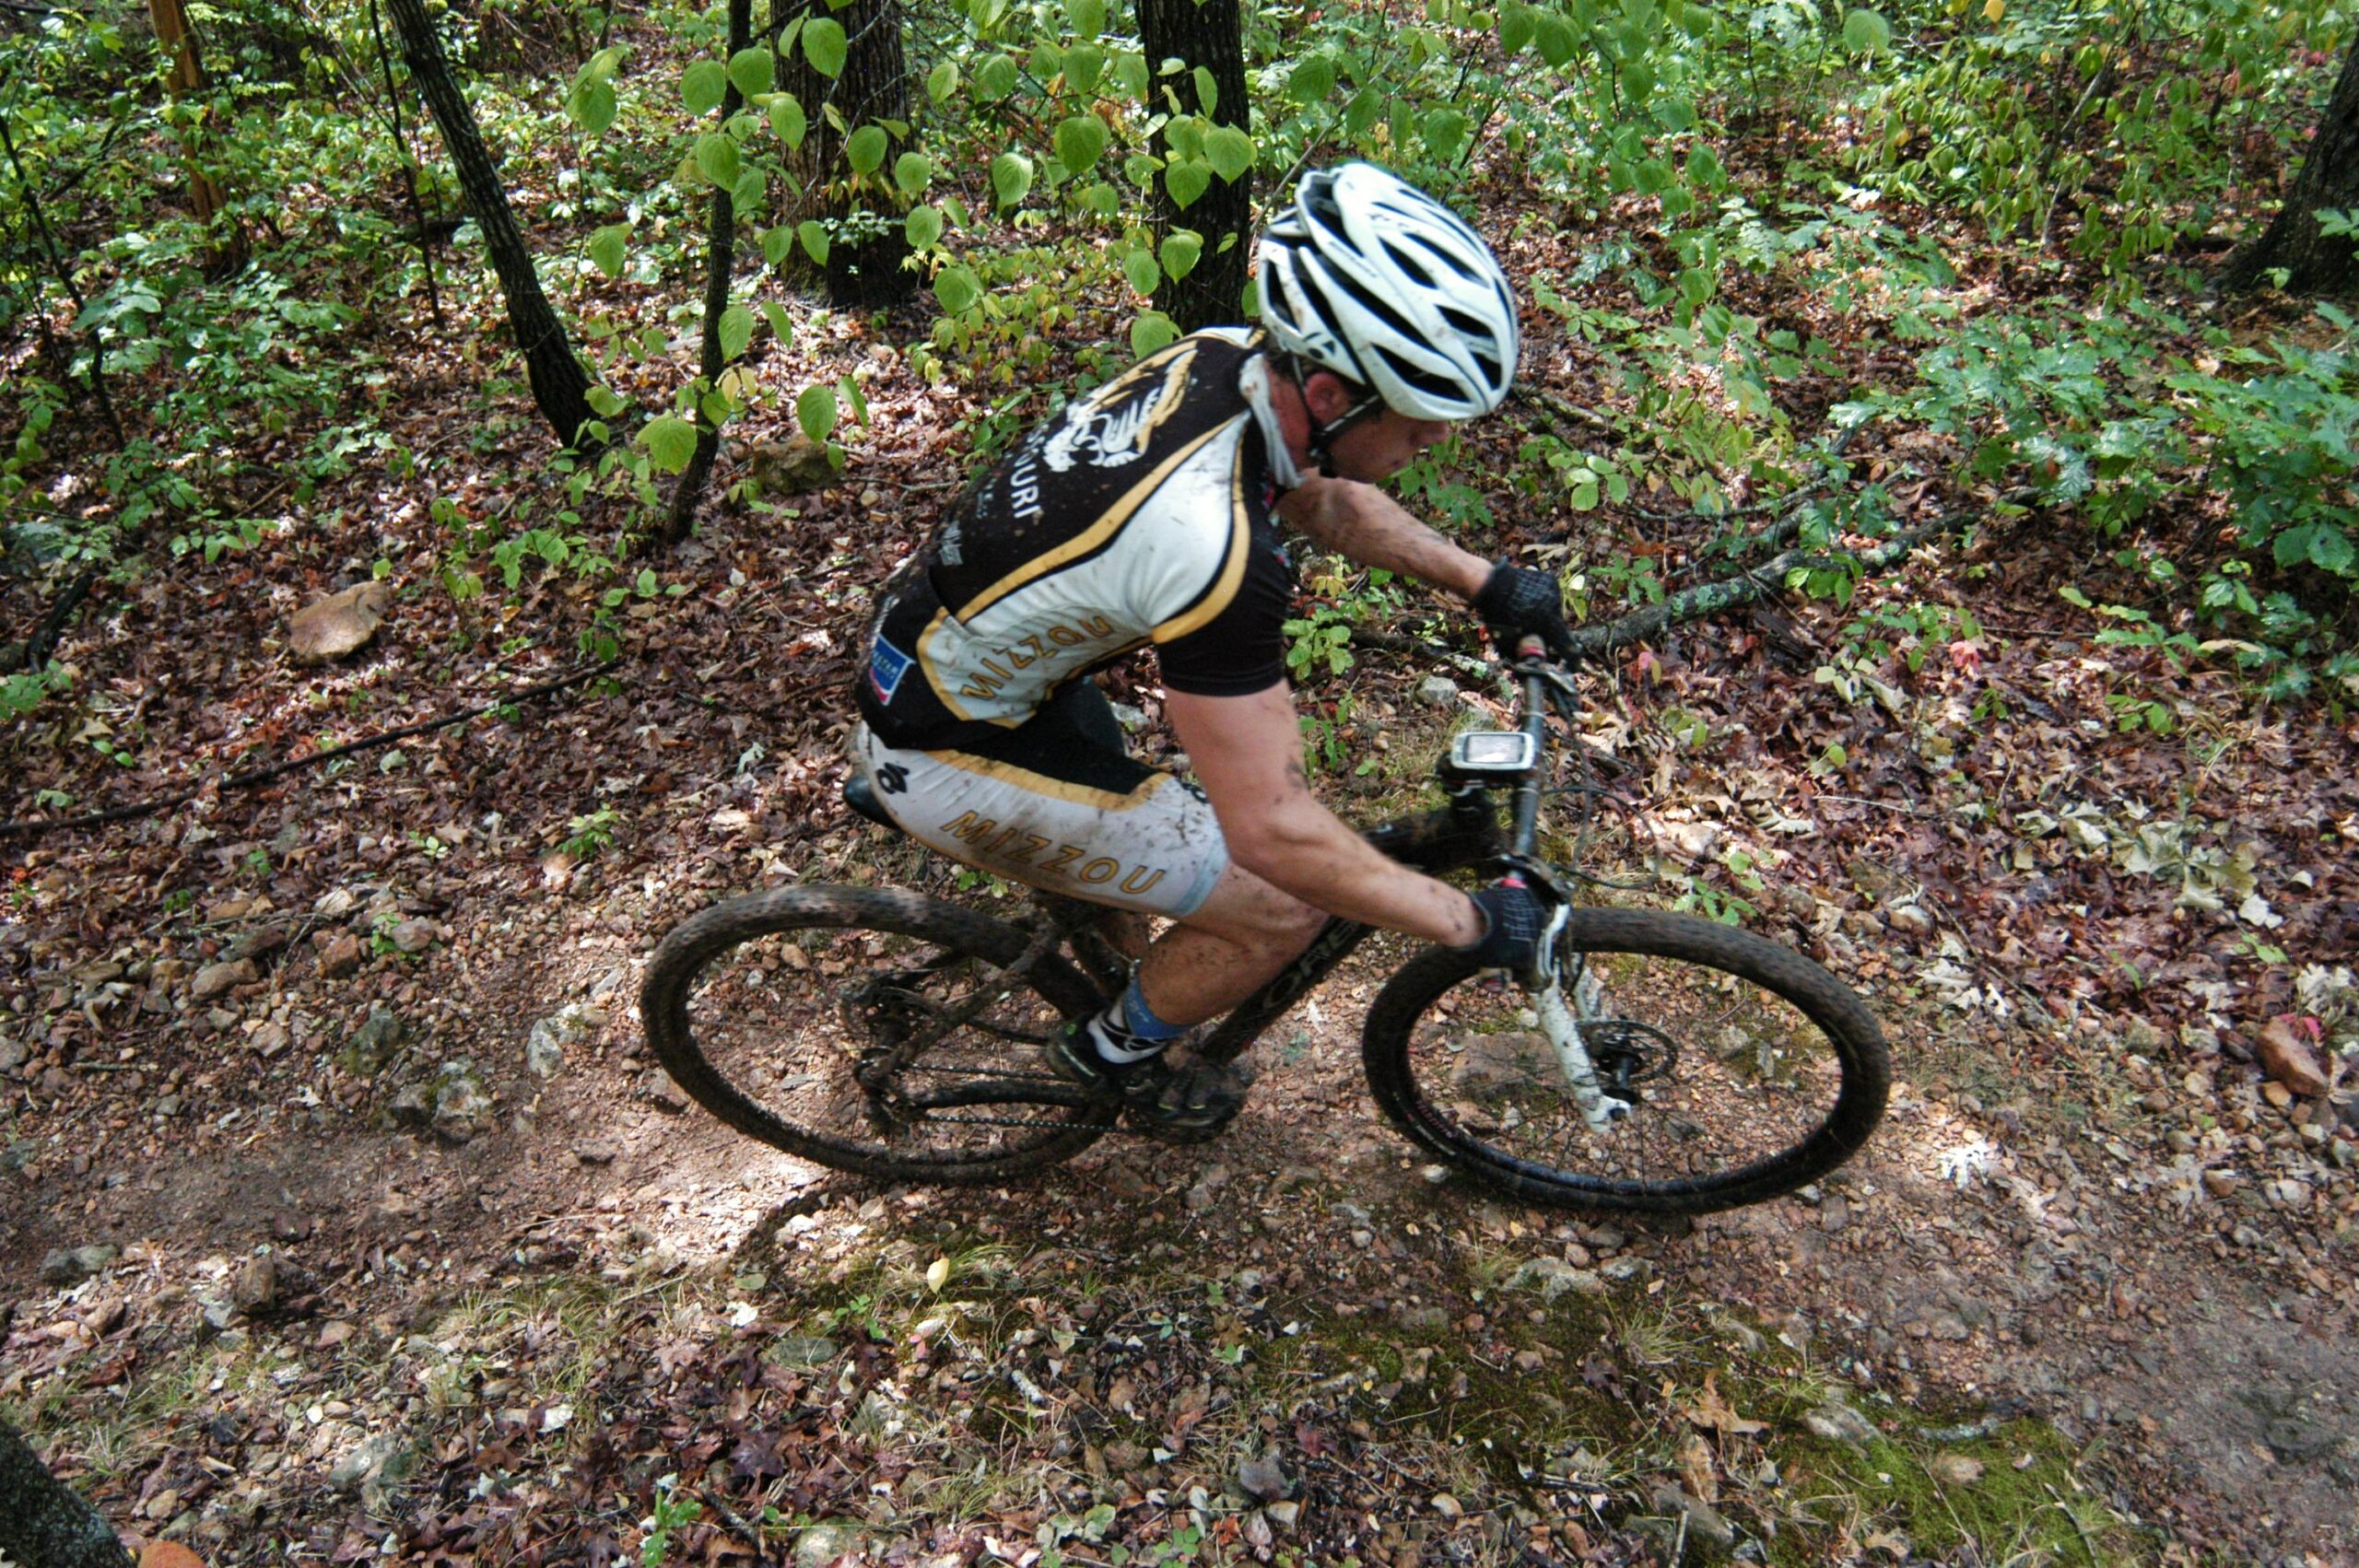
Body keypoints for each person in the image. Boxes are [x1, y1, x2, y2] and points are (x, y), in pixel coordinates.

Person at [850, 162, 1576, 1134]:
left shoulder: (1224, 359)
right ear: (1326, 392)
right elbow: (1271, 830)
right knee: (1281, 902)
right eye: (1420, 425)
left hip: (955, 656)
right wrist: (1471, 923)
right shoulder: (1212, 553)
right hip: (942, 746)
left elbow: (1319, 492)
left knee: (1159, 873)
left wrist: (1484, 582)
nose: (1430, 447)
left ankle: (1113, 974)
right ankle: (1108, 1053)